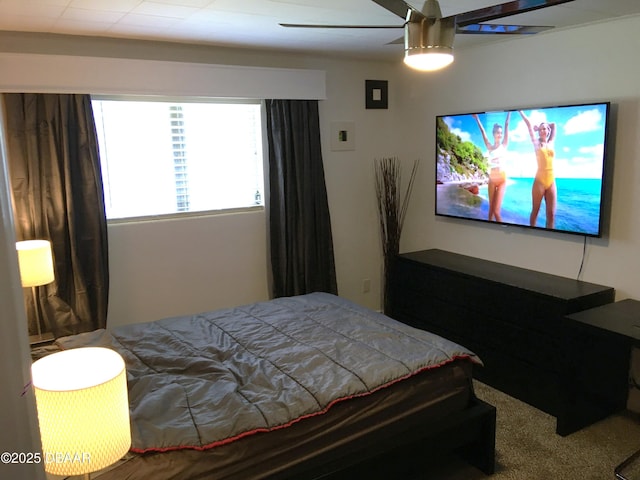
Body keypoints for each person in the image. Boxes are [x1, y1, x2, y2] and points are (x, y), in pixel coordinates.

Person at [518, 110, 557, 228]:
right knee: (535, 211)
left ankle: (550, 236)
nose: (543, 130)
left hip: (551, 181)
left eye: (545, 128)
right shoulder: (536, 143)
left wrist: (546, 124)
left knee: (551, 214)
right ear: (538, 132)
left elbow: (554, 124)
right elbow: (528, 124)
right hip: (539, 181)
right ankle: (532, 233)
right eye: (541, 129)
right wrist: (520, 110)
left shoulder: (551, 142)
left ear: (548, 131)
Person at [473, 112, 511, 222]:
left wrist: (510, 111)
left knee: (496, 212)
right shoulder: (490, 147)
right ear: (494, 134)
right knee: (491, 209)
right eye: (498, 133)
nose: (500, 134)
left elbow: (507, 124)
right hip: (492, 178)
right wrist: (477, 119)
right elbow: (483, 132)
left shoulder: (504, 145)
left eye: (501, 133)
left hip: (502, 178)